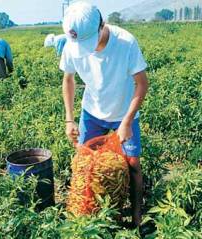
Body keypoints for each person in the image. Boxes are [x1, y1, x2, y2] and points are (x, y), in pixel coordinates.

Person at [59, 2, 149, 227]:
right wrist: (69, 119)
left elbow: (142, 84)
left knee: (133, 164)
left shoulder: (125, 43)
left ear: (102, 24)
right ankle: (87, 213)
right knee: (84, 162)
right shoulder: (72, 44)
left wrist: (127, 122)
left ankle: (137, 217)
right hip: (92, 112)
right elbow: (68, 80)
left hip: (123, 113)